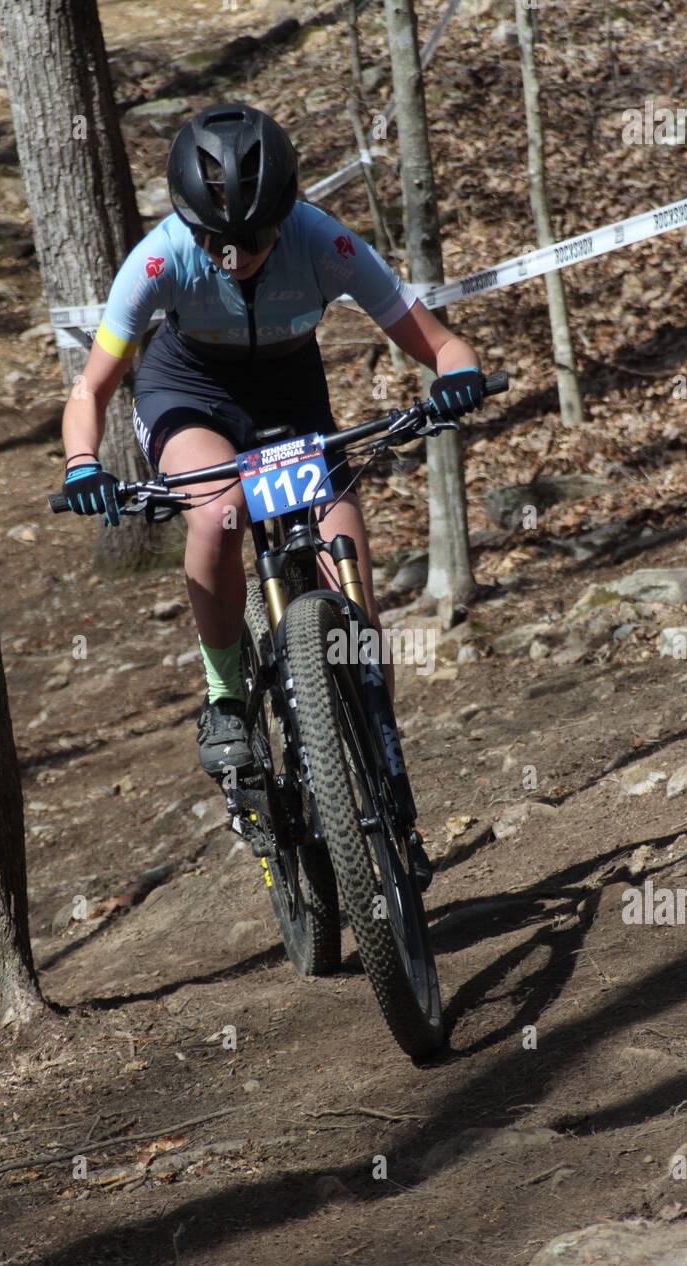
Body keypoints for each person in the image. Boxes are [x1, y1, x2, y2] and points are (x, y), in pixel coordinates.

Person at [60, 102, 484, 819]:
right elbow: (92, 388)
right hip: (189, 394)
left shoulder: (325, 243)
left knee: (347, 558)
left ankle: (376, 747)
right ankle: (226, 697)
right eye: (216, 240)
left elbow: (443, 343)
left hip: (291, 399)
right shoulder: (158, 259)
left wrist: (456, 379)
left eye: (254, 237)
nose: (236, 255)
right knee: (221, 511)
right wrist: (80, 463)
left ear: (287, 213)